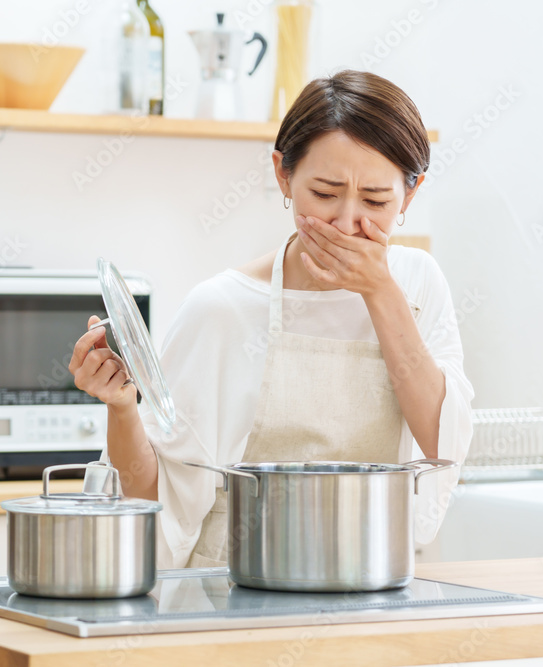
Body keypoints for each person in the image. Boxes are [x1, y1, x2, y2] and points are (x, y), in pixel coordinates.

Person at [69, 70, 474, 569]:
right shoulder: (223, 308)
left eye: (375, 201)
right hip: (232, 592)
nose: (347, 223)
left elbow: (443, 447)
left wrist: (380, 292)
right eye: (325, 193)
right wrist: (122, 407)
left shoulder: (417, 285)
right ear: (283, 174)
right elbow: (155, 497)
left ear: (409, 196)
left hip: (368, 577)